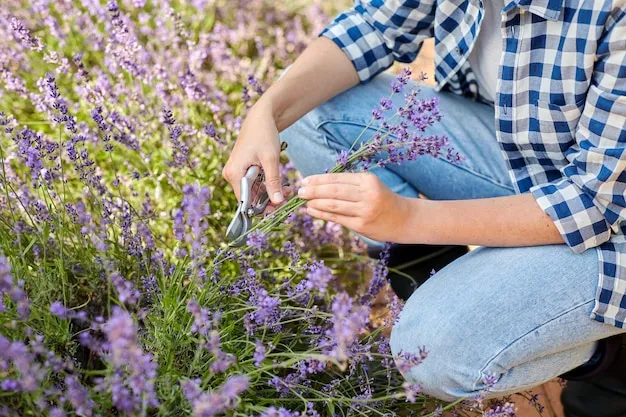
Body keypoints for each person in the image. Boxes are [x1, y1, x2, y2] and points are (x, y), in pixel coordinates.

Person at [222, 0, 626, 414]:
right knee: (313, 107)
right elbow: (373, 27)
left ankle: (608, 359)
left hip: (613, 221)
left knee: (431, 350)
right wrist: (266, 112)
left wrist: (407, 219)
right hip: (534, 161)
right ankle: (483, 301)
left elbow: (593, 203)